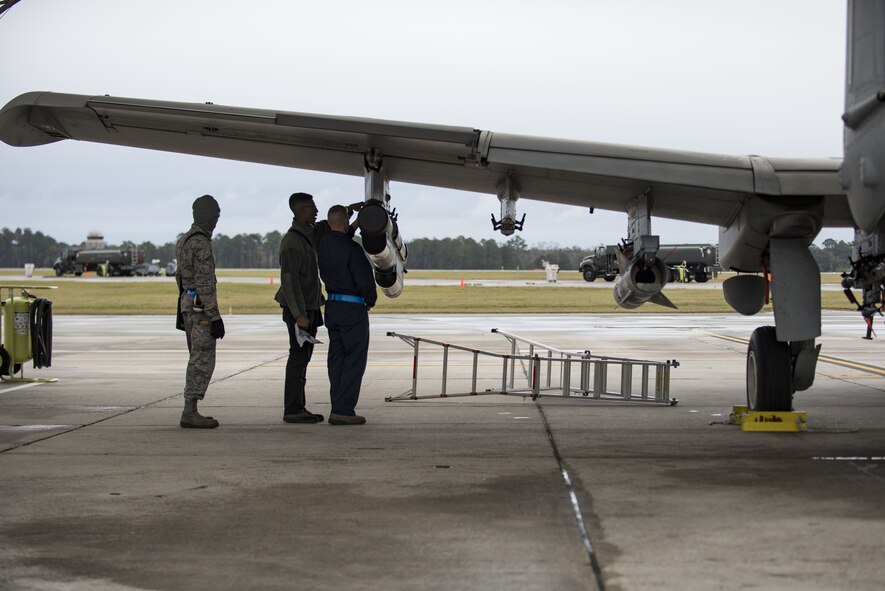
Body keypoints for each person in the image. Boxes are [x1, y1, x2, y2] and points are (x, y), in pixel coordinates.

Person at [317, 204, 377, 425]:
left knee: (337, 359)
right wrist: (370, 300)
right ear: (344, 222)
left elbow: (339, 236)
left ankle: (337, 405)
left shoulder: (323, 245)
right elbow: (365, 281)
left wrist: (353, 220)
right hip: (353, 311)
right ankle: (343, 410)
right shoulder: (353, 250)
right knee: (354, 360)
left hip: (332, 308)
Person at [176, 194, 225, 429]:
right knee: (201, 358)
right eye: (214, 215)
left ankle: (191, 408)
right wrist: (214, 317)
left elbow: (181, 278)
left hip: (189, 306)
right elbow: (205, 282)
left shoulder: (184, 240)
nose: (216, 220)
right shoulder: (201, 242)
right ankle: (190, 410)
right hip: (201, 311)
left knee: (195, 356)